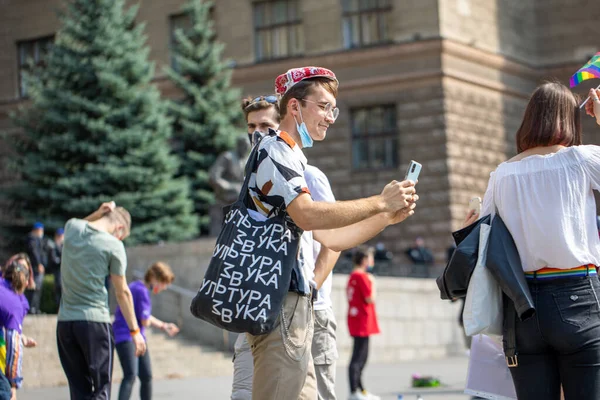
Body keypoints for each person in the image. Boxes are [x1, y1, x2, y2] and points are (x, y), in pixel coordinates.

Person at [244, 66, 418, 400]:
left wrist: (386, 217)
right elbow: (308, 215)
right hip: (280, 301)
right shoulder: (274, 150)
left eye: (332, 109)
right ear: (295, 107)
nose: (331, 117)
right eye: (323, 106)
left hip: (295, 305)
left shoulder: (292, 155)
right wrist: (379, 201)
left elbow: (333, 238)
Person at [462, 83, 600, 400]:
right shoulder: (580, 159)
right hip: (577, 294)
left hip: (521, 305)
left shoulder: (502, 174)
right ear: (570, 119)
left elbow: (481, 234)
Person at [230, 94, 342, 400]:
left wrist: (313, 285)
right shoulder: (255, 172)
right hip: (257, 305)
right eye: (251, 127)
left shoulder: (308, 174)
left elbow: (332, 241)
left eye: (265, 125)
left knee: (314, 395)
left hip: (307, 308)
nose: (256, 133)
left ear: (283, 123)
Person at [57, 202, 146, 400]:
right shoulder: (113, 245)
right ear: (120, 228)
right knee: (100, 390)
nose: (118, 239)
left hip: (65, 324)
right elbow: (122, 291)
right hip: (94, 323)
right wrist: (135, 331)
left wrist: (98, 212)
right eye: (121, 236)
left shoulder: (72, 228)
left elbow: (82, 224)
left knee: (78, 391)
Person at [113, 261, 179, 400]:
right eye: (163, 282)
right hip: (127, 337)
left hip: (134, 337)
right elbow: (145, 320)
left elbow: (144, 316)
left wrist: (164, 325)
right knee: (131, 375)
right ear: (154, 278)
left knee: (146, 375)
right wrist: (149, 321)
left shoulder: (135, 286)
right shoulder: (142, 291)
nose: (164, 287)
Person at [0, 254, 38, 400]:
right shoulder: (15, 304)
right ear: (27, 281)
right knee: (5, 393)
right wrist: (13, 386)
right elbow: (14, 349)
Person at [346, 246, 380, 400]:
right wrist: (373, 282)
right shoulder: (362, 277)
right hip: (362, 320)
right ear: (365, 260)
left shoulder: (353, 276)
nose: (372, 261)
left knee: (360, 356)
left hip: (356, 319)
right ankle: (354, 391)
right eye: (370, 258)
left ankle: (360, 389)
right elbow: (369, 298)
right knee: (359, 357)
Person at [24, 222, 47, 314]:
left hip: (38, 266)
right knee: (33, 288)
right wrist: (38, 264)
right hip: (34, 267)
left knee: (38, 289)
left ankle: (35, 308)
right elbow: (34, 253)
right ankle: (31, 307)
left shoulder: (38, 240)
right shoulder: (31, 239)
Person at [46, 228, 64, 305]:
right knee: (58, 287)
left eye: (61, 236)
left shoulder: (66, 245)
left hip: (65, 271)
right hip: (57, 270)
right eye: (59, 236)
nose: (60, 237)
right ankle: (58, 306)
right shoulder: (53, 245)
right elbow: (53, 259)